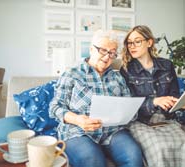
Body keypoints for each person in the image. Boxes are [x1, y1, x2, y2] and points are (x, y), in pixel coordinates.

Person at [49, 30, 143, 167]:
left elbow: (128, 106)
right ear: (92, 49)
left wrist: (128, 113)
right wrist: (77, 119)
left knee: (134, 156)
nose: (107, 57)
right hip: (79, 131)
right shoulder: (72, 74)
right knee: (93, 161)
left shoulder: (117, 77)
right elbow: (55, 107)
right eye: (103, 51)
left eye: (112, 53)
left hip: (113, 132)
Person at [120, 25, 185, 167]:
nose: (132, 46)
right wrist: (154, 101)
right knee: (159, 147)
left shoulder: (167, 65)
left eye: (137, 41)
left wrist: (184, 105)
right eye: (129, 42)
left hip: (165, 120)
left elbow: (173, 96)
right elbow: (128, 104)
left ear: (149, 42)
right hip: (140, 122)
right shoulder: (126, 69)